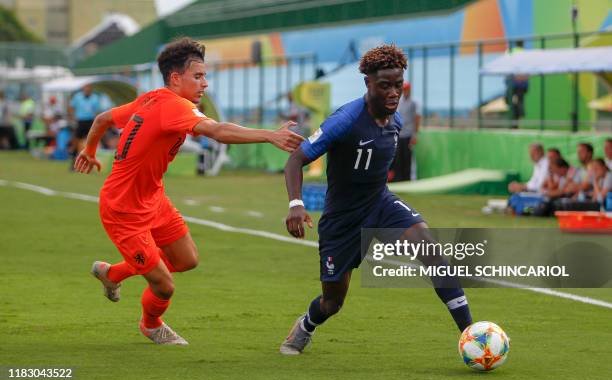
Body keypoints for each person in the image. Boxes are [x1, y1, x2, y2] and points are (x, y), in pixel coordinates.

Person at [74, 37, 303, 345]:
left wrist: (89, 151)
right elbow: (218, 131)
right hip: (123, 211)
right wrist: (269, 136)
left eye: (204, 76)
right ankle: (151, 324)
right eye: (198, 76)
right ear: (175, 78)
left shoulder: (151, 98)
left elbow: (103, 120)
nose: (204, 83)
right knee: (164, 286)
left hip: (153, 199)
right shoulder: (174, 106)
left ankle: (112, 274)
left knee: (187, 260)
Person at [279, 45, 472, 355]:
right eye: (385, 85)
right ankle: (306, 325)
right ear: (368, 83)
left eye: (398, 84)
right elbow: (295, 161)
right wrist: (295, 204)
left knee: (432, 251)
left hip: (380, 204)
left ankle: (472, 335)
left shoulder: (395, 123)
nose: (394, 92)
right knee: (332, 302)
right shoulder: (345, 120)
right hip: (342, 221)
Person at [391, 81, 420, 181]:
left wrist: (415, 135)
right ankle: (399, 180)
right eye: (404, 89)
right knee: (398, 159)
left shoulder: (414, 103)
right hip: (399, 135)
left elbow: (417, 118)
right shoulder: (399, 102)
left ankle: (408, 180)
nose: (406, 91)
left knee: (408, 159)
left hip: (408, 135)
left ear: (410, 90)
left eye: (407, 89)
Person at [69, 84, 101, 166]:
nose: (87, 89)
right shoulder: (77, 97)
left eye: (89, 87)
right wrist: (73, 117)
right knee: (76, 142)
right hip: (80, 121)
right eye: (86, 87)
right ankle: (74, 162)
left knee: (90, 142)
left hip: (90, 121)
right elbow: (71, 107)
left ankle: (90, 163)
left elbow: (97, 111)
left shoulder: (95, 98)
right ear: (83, 88)